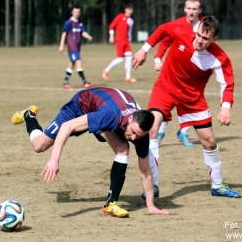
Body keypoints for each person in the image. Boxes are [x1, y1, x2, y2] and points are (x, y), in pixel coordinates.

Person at [11, 87, 169, 217]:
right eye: (133, 132)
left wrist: (151, 206)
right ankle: (29, 115)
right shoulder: (110, 116)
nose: (133, 137)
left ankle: (110, 205)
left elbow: (145, 170)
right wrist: (54, 159)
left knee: (123, 147)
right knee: (39, 146)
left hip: (104, 111)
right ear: (130, 120)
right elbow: (67, 126)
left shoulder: (140, 135)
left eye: (138, 135)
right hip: (80, 106)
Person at [132, 15, 241, 199]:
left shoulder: (219, 57)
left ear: (214, 39)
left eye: (205, 38)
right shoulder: (181, 31)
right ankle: (153, 185)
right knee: (151, 130)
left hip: (192, 97)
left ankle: (217, 185)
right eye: (198, 35)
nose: (199, 40)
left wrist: (225, 107)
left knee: (209, 142)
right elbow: (162, 29)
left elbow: (227, 84)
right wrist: (144, 50)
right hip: (165, 88)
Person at [156, 0, 204, 148]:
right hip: (174, 71)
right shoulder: (176, 25)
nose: (191, 12)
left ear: (199, 10)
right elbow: (165, 41)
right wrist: (158, 58)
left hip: (194, 73)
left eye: (194, 9)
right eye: (189, 8)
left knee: (189, 102)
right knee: (167, 101)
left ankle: (183, 132)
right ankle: (160, 133)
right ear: (184, 9)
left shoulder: (205, 25)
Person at [59, 5, 94, 89]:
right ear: (72, 12)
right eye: (75, 12)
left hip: (77, 47)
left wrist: (88, 36)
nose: (77, 13)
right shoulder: (69, 22)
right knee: (79, 63)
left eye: (78, 12)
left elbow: (83, 32)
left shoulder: (80, 22)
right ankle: (85, 82)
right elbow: (64, 34)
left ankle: (65, 83)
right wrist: (61, 45)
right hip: (72, 47)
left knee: (71, 65)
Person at [102, 4, 137, 83]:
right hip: (119, 40)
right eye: (128, 9)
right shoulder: (120, 16)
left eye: (131, 10)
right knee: (120, 59)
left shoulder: (131, 21)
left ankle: (128, 77)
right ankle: (106, 70)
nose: (129, 11)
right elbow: (111, 26)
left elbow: (130, 32)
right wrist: (111, 36)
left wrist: (130, 41)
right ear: (125, 10)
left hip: (127, 41)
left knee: (129, 58)